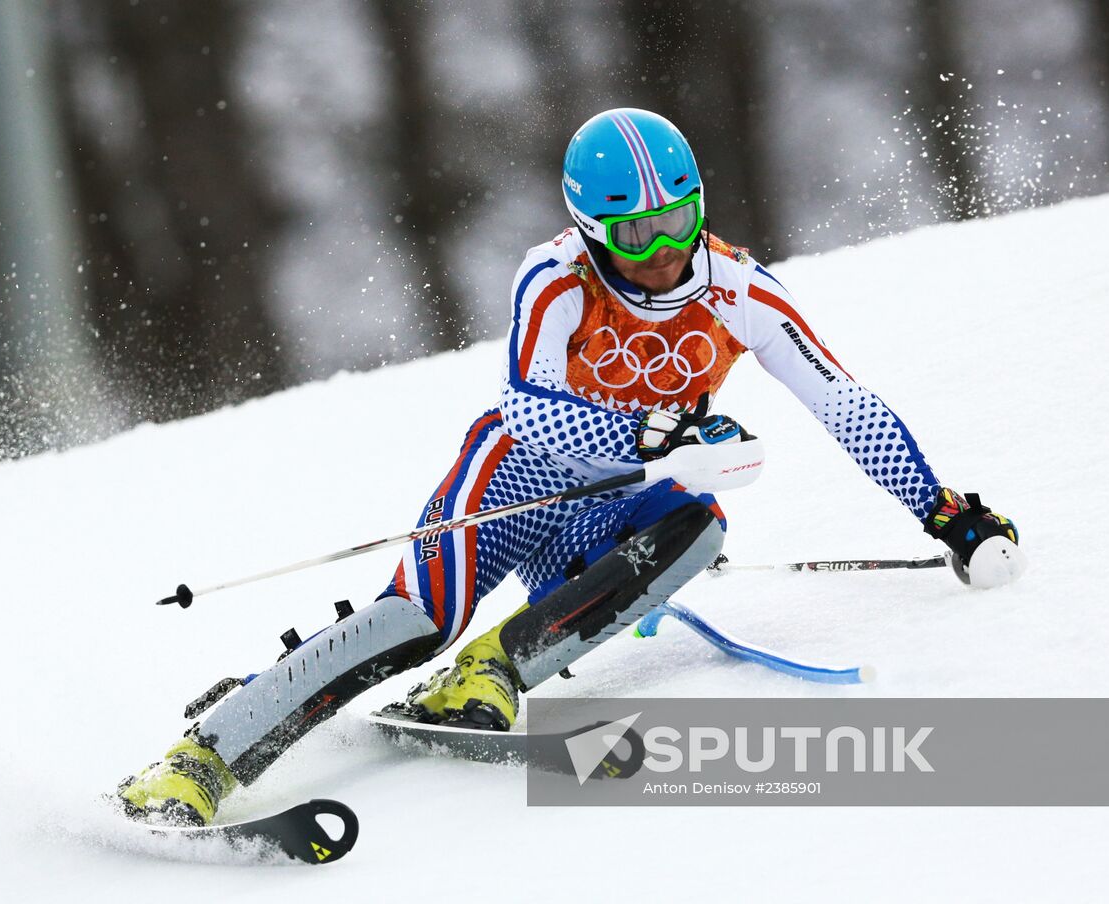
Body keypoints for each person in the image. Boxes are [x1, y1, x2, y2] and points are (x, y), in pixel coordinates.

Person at [115, 108, 1023, 825]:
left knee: (696, 527)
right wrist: (655, 440)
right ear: (591, 234)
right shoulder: (553, 279)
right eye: (637, 237)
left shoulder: (741, 290)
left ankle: (492, 674)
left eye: (678, 223)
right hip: (510, 479)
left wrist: (945, 514)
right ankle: (200, 757)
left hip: (607, 510)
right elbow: (527, 404)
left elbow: (844, 404)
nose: (666, 255)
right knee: (415, 617)